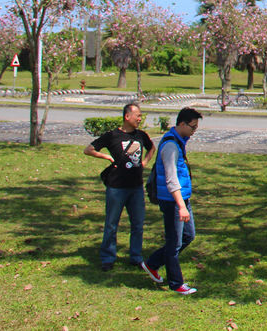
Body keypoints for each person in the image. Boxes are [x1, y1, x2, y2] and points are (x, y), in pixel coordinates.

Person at [84, 103, 154, 272]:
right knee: (111, 224)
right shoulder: (112, 136)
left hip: (136, 188)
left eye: (140, 116)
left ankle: (136, 257)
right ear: (126, 116)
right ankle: (108, 257)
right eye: (137, 115)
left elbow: (152, 148)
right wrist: (107, 157)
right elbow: (89, 149)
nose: (139, 118)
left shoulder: (141, 135)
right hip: (116, 188)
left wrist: (144, 162)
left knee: (137, 224)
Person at [140, 107, 202, 295]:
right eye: (192, 127)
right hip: (173, 201)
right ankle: (176, 283)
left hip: (182, 199)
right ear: (181, 124)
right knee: (174, 242)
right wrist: (181, 206)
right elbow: (171, 179)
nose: (193, 131)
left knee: (188, 236)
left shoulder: (178, 141)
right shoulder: (170, 146)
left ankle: (152, 263)